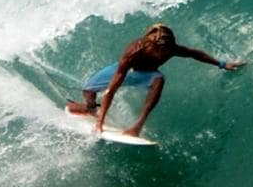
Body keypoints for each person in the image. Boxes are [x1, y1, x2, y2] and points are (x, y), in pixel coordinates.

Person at [68, 23, 243, 138]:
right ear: (149, 44)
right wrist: (100, 124)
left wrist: (222, 64)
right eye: (159, 49)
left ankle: (137, 125)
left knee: (160, 79)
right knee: (88, 90)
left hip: (147, 76)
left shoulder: (171, 48)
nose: (163, 53)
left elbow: (195, 54)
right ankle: (91, 110)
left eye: (166, 49)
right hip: (126, 71)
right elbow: (113, 88)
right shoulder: (134, 51)